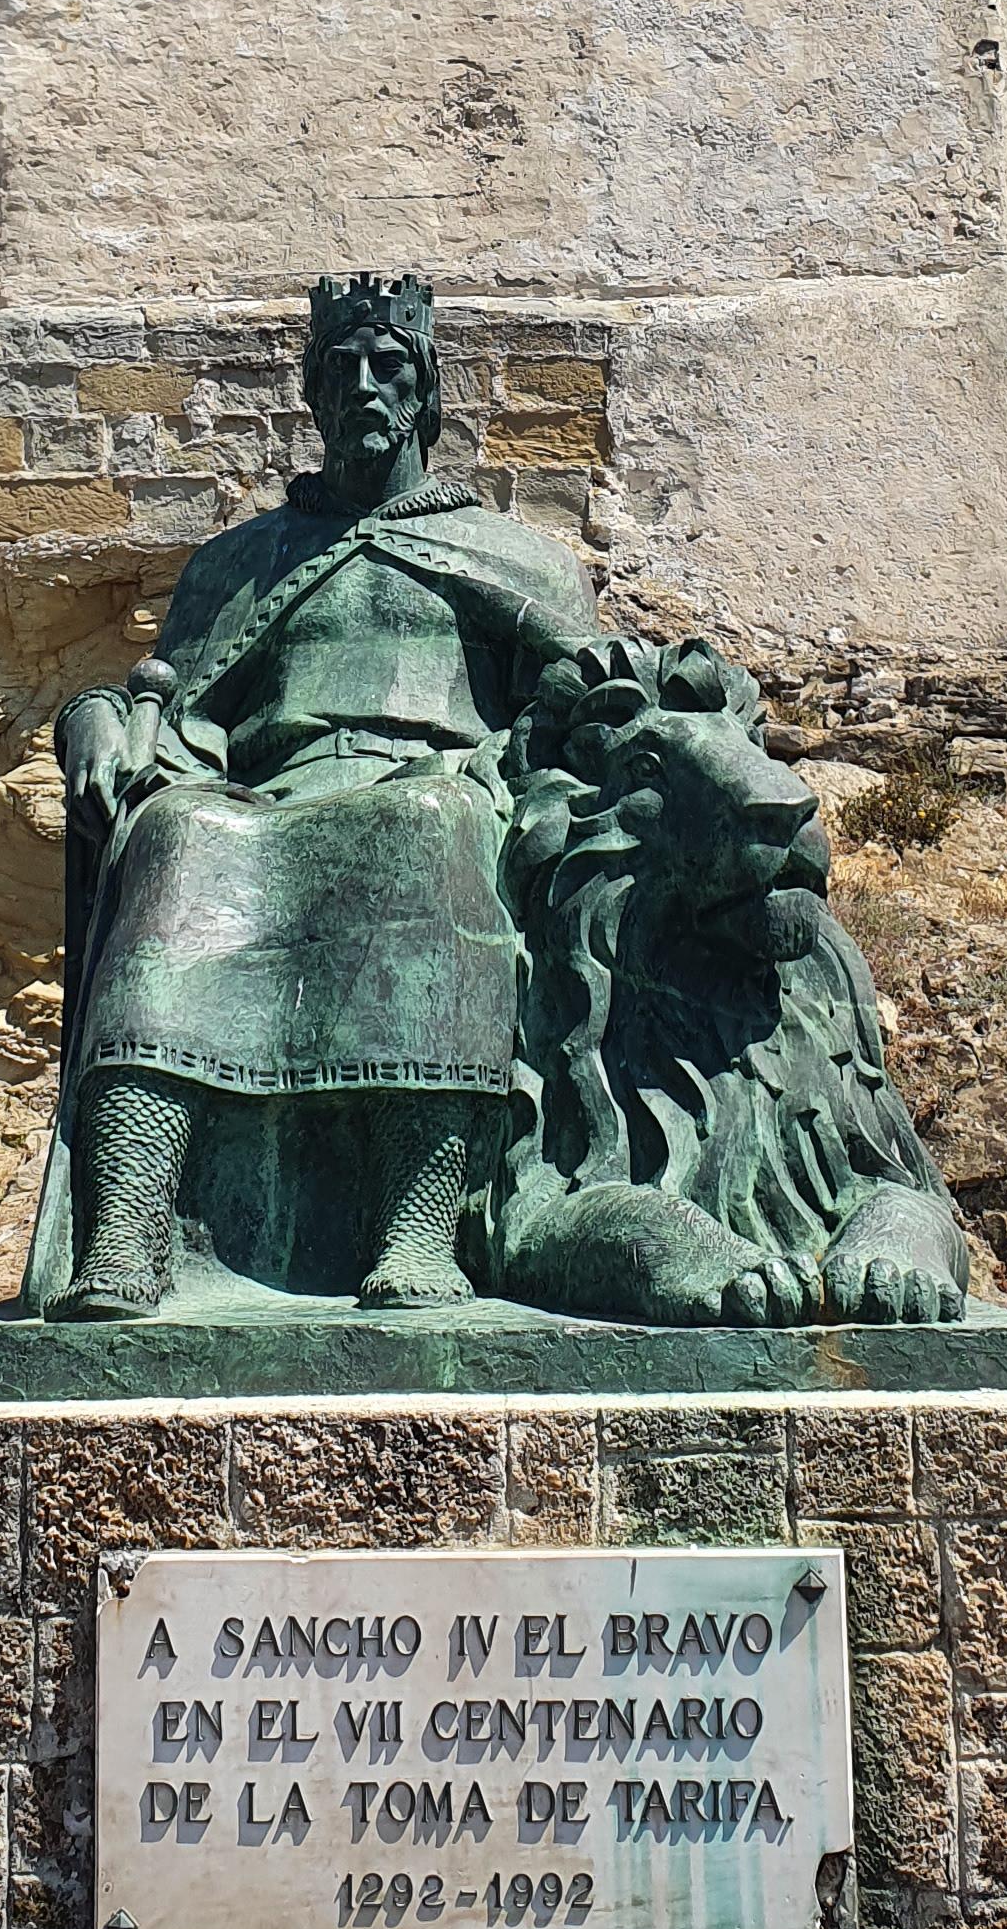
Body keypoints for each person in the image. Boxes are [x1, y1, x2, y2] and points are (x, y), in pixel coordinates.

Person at [33, 275, 596, 1320]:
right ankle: (125, 1235)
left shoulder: (511, 556)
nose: (364, 389)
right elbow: (167, 701)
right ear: (312, 396)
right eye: (340, 372)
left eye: (390, 369)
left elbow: (592, 702)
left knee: (421, 828)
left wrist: (503, 760)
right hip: (264, 800)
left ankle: (417, 1232)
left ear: (427, 394)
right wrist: (95, 725)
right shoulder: (243, 564)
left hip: (434, 787)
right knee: (176, 836)